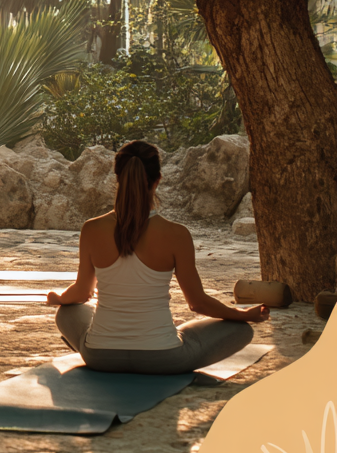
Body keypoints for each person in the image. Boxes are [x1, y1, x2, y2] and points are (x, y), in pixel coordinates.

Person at [48, 139, 269, 374]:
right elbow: (198, 303)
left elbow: (82, 292)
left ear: (118, 179)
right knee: (241, 329)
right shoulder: (177, 234)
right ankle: (164, 336)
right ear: (158, 180)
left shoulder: (91, 229)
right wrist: (243, 314)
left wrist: (59, 298)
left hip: (100, 357)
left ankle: (106, 343)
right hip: (164, 359)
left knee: (67, 312)